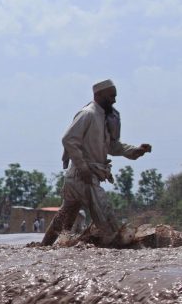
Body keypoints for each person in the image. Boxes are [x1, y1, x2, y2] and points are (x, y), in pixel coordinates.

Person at [42, 79, 150, 246]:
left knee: (68, 212)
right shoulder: (88, 114)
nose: (114, 100)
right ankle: (120, 247)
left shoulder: (109, 118)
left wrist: (134, 150)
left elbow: (113, 146)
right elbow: (69, 139)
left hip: (85, 175)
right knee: (106, 215)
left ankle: (47, 246)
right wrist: (83, 167)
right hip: (82, 175)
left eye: (115, 96)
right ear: (98, 95)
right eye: (111, 96)